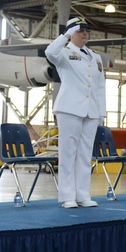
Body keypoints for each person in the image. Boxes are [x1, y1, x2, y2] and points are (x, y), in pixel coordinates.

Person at [45, 16, 107, 208]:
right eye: (80, 31)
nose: (85, 34)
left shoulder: (95, 56)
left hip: (91, 110)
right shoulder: (63, 52)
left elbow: (100, 86)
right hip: (70, 108)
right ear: (71, 33)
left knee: (84, 154)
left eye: (86, 31)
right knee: (68, 153)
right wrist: (66, 35)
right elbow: (49, 51)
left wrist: (101, 112)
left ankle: (82, 194)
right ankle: (67, 196)